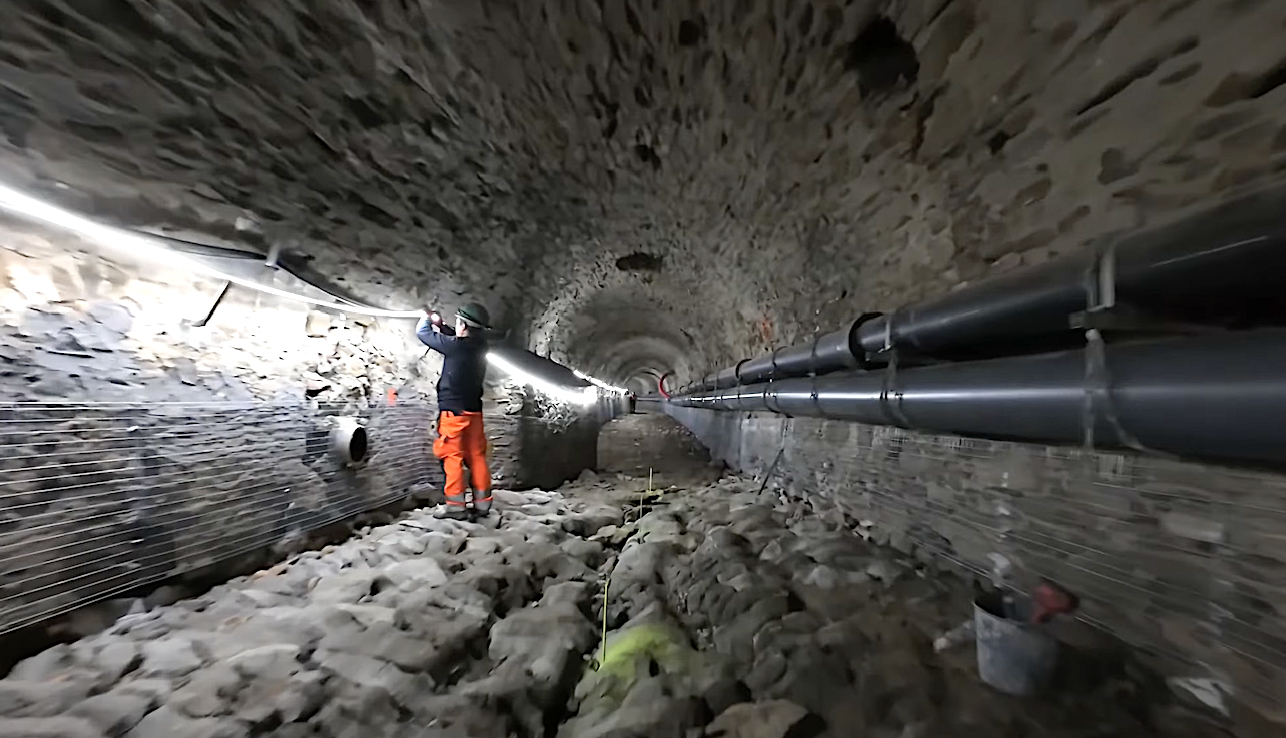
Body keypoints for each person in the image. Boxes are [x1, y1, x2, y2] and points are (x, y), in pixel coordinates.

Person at [416, 303, 492, 519]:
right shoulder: (481, 346)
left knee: (452, 456)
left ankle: (456, 506)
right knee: (476, 456)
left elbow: (423, 333)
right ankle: (483, 503)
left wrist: (426, 318)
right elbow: (456, 338)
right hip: (473, 411)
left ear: (463, 325)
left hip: (453, 412)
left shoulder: (457, 346)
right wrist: (443, 325)